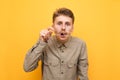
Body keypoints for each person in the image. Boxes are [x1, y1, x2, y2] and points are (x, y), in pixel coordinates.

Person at [23, 7, 89, 80]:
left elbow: (83, 76)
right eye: (59, 23)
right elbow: (27, 67)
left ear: (72, 28)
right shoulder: (45, 42)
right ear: (53, 26)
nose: (63, 28)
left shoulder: (80, 45)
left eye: (67, 24)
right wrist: (42, 43)